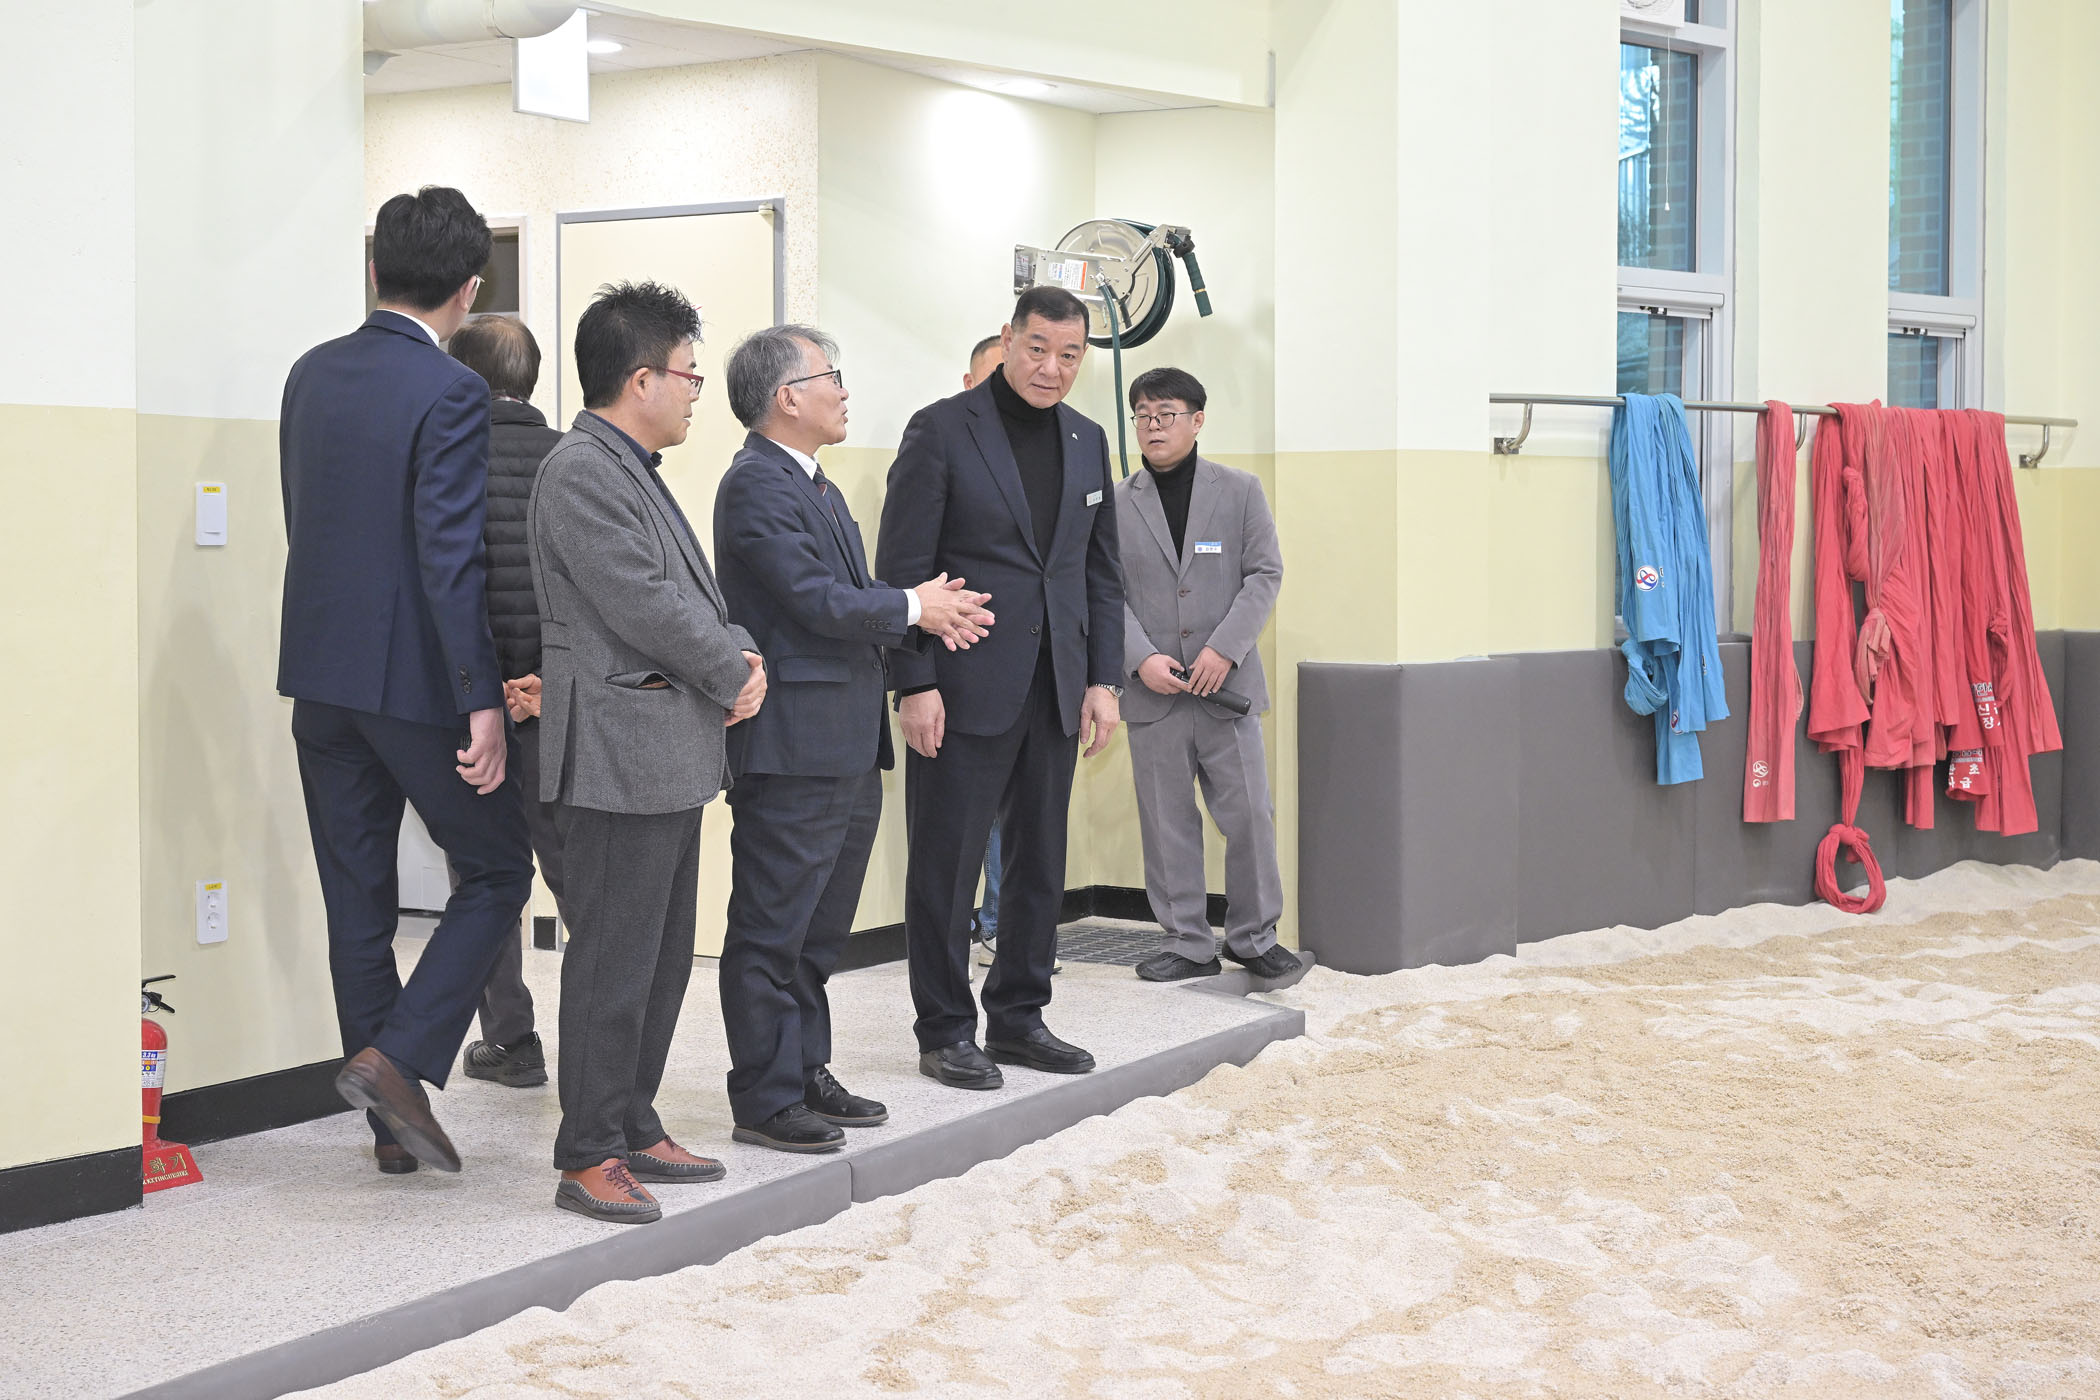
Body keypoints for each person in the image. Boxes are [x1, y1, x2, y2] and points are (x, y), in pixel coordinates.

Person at [277, 186, 535, 1177]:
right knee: (499, 866)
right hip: (414, 683)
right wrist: (481, 696)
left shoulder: (310, 372)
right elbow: (448, 555)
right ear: (469, 290)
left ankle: (390, 1131)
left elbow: (307, 518)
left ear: (375, 268)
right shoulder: (452, 391)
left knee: (358, 904)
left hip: (318, 674)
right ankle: (401, 1060)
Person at [712, 326, 994, 1151]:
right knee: (772, 929)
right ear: (786, 396)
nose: (843, 390)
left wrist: (917, 609)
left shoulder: (818, 485)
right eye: (830, 376)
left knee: (818, 932)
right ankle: (764, 1098)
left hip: (843, 740)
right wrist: (913, 607)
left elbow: (850, 593)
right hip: (792, 745)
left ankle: (805, 1069)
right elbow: (814, 599)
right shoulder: (755, 484)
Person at [527, 281, 766, 1224]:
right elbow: (642, 603)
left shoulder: (633, 466)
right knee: (613, 964)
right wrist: (730, 669)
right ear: (640, 379)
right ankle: (587, 1154)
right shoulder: (581, 470)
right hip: (617, 755)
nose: (697, 390)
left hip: (666, 750)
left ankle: (632, 1121)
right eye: (689, 374)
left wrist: (736, 649)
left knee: (662, 961)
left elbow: (690, 595)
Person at [876, 286, 1125, 1090]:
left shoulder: (1088, 440)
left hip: (1056, 687)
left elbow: (1098, 572)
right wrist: (914, 681)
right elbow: (903, 566)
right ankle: (946, 1029)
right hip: (961, 686)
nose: (1052, 368)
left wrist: (1103, 678)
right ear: (1010, 341)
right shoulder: (941, 429)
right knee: (946, 867)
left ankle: (1019, 1016)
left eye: (1070, 355)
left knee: (1039, 864)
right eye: (1038, 349)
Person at [1115, 368, 1301, 982]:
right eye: (1143, 415)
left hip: (1227, 689)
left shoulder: (1240, 490)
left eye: (1166, 414)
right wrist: (1141, 657)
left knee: (1249, 816)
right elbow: (1103, 591)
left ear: (1197, 421)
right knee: (1167, 822)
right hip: (1154, 691)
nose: (1153, 426)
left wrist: (1225, 649)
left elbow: (1265, 573)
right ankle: (1188, 944)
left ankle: (1253, 937)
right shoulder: (1115, 503)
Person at [443, 316, 566, 1088]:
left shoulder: (452, 458)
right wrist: (551, 680)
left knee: (487, 878)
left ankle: (512, 1042)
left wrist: (485, 691)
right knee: (578, 876)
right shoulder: (574, 458)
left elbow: (452, 585)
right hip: (561, 704)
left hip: (480, 706)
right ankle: (603, 1045)